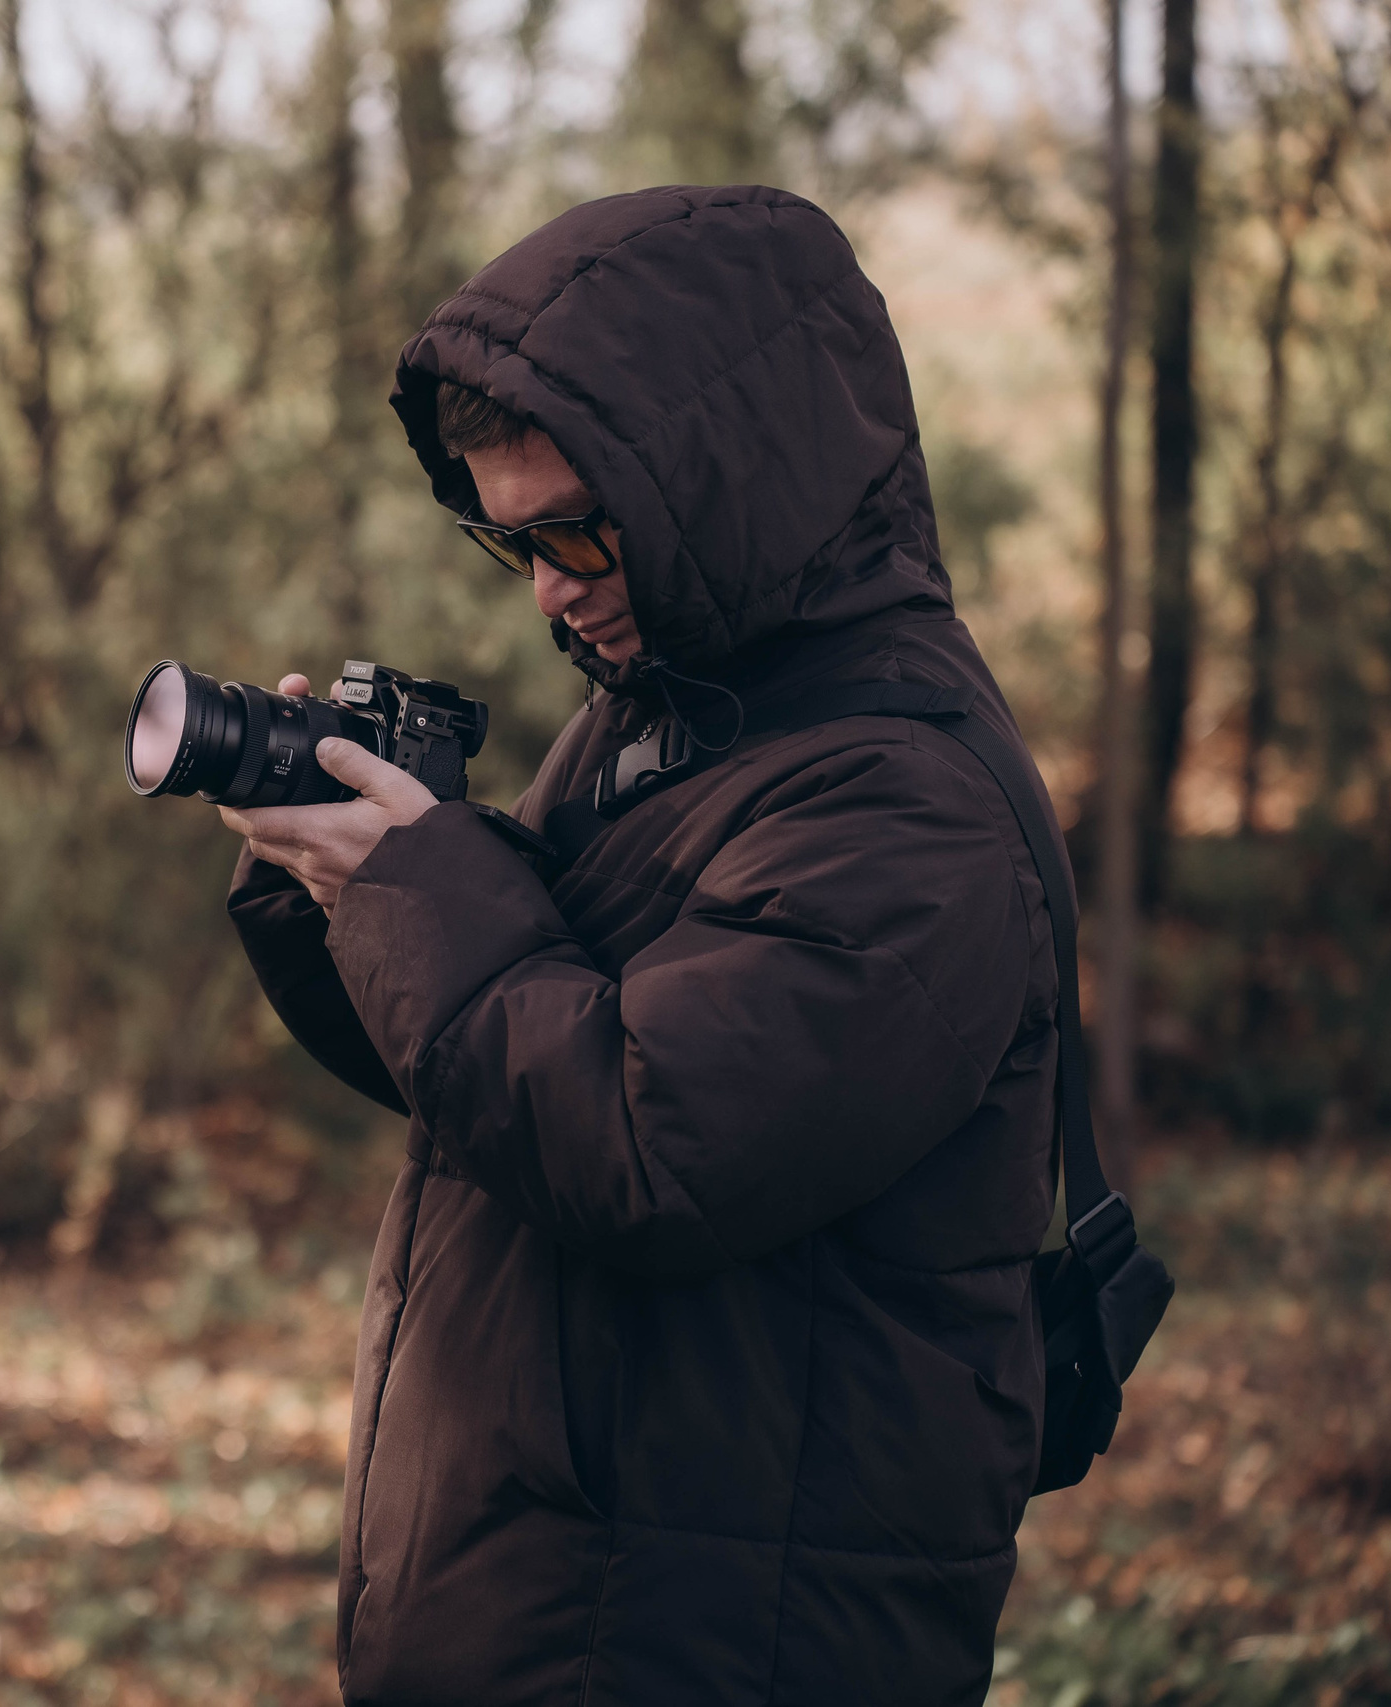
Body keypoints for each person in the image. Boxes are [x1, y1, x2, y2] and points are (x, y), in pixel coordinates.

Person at [223, 185, 1060, 1706]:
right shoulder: (670, 723)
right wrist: (329, 883)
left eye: (580, 533)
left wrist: (422, 886)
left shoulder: (904, 806)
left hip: (714, 1634)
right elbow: (489, 1085)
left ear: (731, 486)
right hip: (576, 1604)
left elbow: (641, 1138)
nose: (549, 586)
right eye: (511, 541)